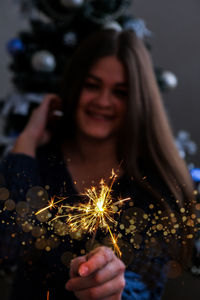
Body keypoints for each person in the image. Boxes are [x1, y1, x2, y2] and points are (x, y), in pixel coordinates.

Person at [0, 29, 194, 300]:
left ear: (138, 100)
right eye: (92, 85)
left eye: (120, 92)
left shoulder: (153, 185)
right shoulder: (37, 163)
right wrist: (26, 143)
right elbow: (8, 247)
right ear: (74, 87)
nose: (103, 101)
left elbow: (148, 288)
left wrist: (115, 286)